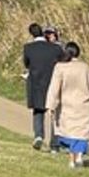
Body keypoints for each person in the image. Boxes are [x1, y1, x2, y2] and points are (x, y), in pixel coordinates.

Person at [46, 41, 89, 169]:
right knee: (81, 133)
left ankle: (71, 159)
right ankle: (79, 156)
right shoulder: (85, 67)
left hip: (66, 105)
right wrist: (88, 94)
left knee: (69, 133)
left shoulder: (60, 67)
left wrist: (50, 105)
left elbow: (54, 88)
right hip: (83, 105)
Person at [22, 22, 64, 150]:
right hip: (53, 82)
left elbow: (27, 64)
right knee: (54, 113)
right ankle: (55, 143)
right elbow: (62, 62)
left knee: (38, 110)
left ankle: (39, 135)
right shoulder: (56, 48)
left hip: (36, 82)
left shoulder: (28, 48)